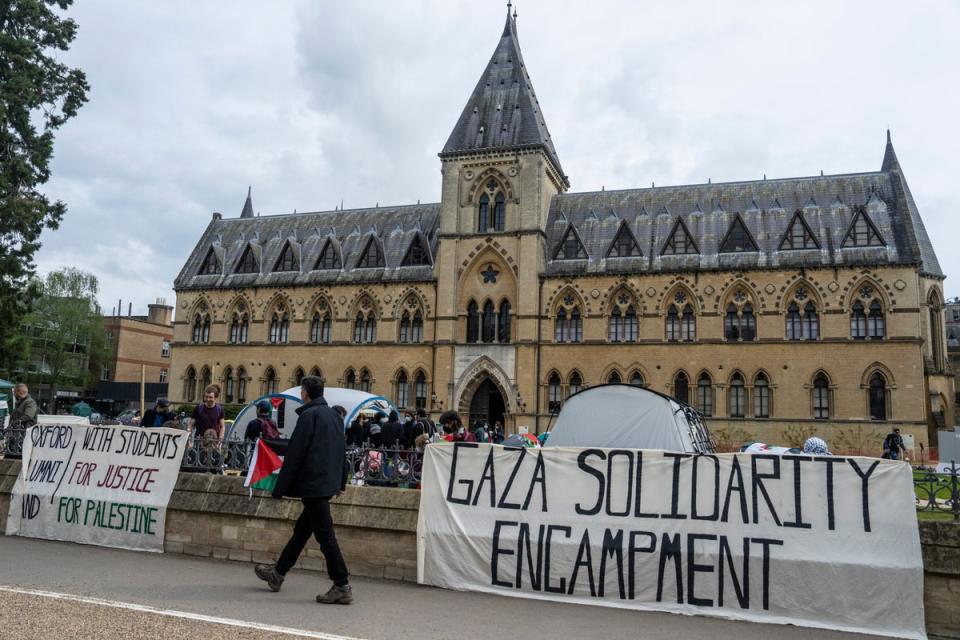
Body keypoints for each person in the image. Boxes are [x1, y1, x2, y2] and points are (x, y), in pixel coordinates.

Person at [254, 375, 352, 604]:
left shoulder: (309, 415)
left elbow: (295, 454)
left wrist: (280, 488)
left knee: (325, 535)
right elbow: (341, 452)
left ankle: (342, 584)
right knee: (302, 530)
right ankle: (277, 574)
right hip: (325, 484)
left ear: (305, 393)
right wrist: (340, 483)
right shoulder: (334, 416)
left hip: (314, 485)